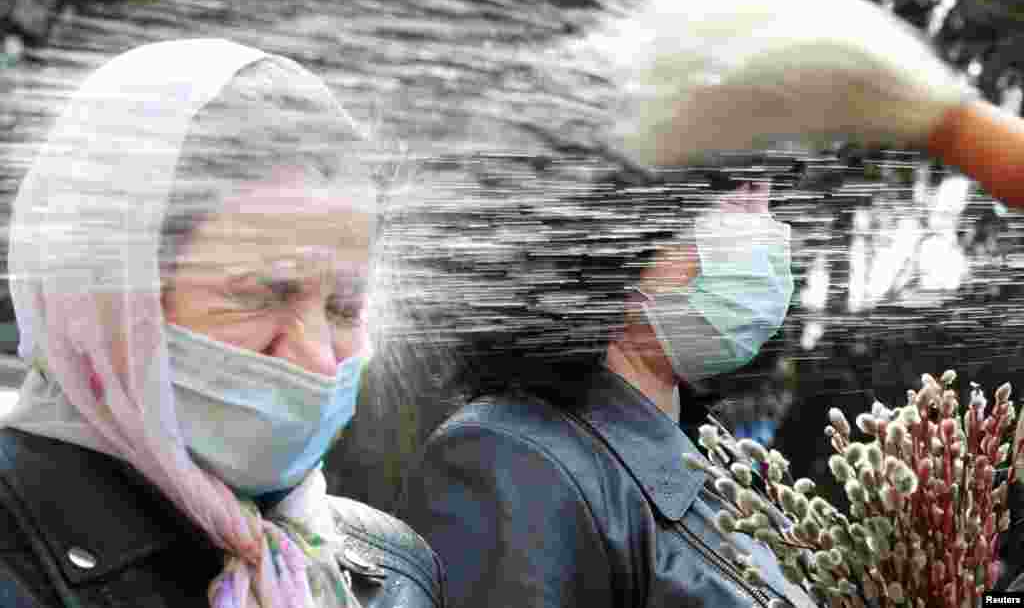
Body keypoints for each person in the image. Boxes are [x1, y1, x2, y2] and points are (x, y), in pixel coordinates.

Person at [0, 39, 444, 608]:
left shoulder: (392, 568)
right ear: (109, 299)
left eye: (344, 309)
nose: (318, 360)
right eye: (261, 295)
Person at [399, 179, 816, 607]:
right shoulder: (506, 459)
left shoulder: (714, 456)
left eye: (764, 195)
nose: (761, 223)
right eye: (737, 195)